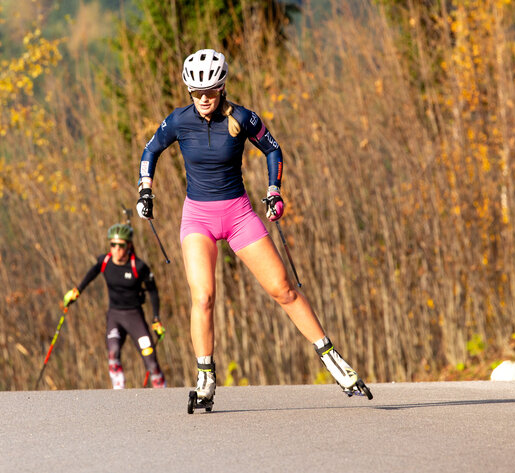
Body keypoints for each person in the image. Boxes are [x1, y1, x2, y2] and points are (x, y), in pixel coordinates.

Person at [135, 49, 370, 406]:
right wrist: (146, 190)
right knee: (203, 297)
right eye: (196, 93)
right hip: (197, 217)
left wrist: (274, 191)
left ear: (222, 87)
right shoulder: (178, 121)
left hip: (239, 214)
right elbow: (150, 151)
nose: (203, 99)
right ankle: (205, 380)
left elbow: (273, 150)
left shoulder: (243, 118)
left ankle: (335, 362)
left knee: (283, 290)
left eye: (210, 92)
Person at [62, 223, 166, 389]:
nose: (116, 249)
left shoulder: (139, 267)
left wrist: (156, 319)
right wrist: (77, 291)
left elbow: (153, 292)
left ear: (129, 246)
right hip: (115, 316)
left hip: (134, 316)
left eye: (121, 245)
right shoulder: (105, 261)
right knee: (113, 352)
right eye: (113, 245)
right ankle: (119, 392)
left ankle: (161, 391)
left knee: (151, 361)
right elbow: (91, 274)